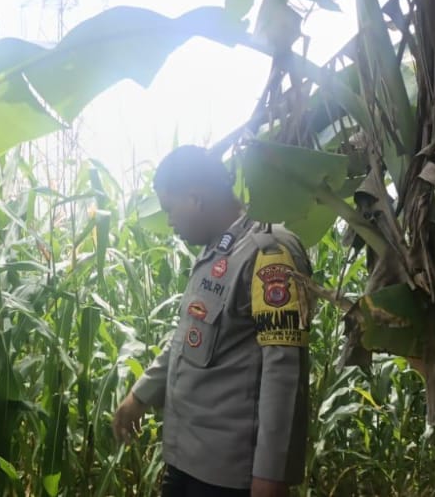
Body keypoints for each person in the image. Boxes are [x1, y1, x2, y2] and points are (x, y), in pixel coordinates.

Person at [112, 146, 315, 497]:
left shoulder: (269, 251)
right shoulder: (215, 252)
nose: (170, 221)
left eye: (170, 209)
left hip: (229, 474)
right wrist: (141, 395)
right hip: (186, 457)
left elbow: (283, 370)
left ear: (196, 198)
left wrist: (271, 475)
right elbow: (187, 338)